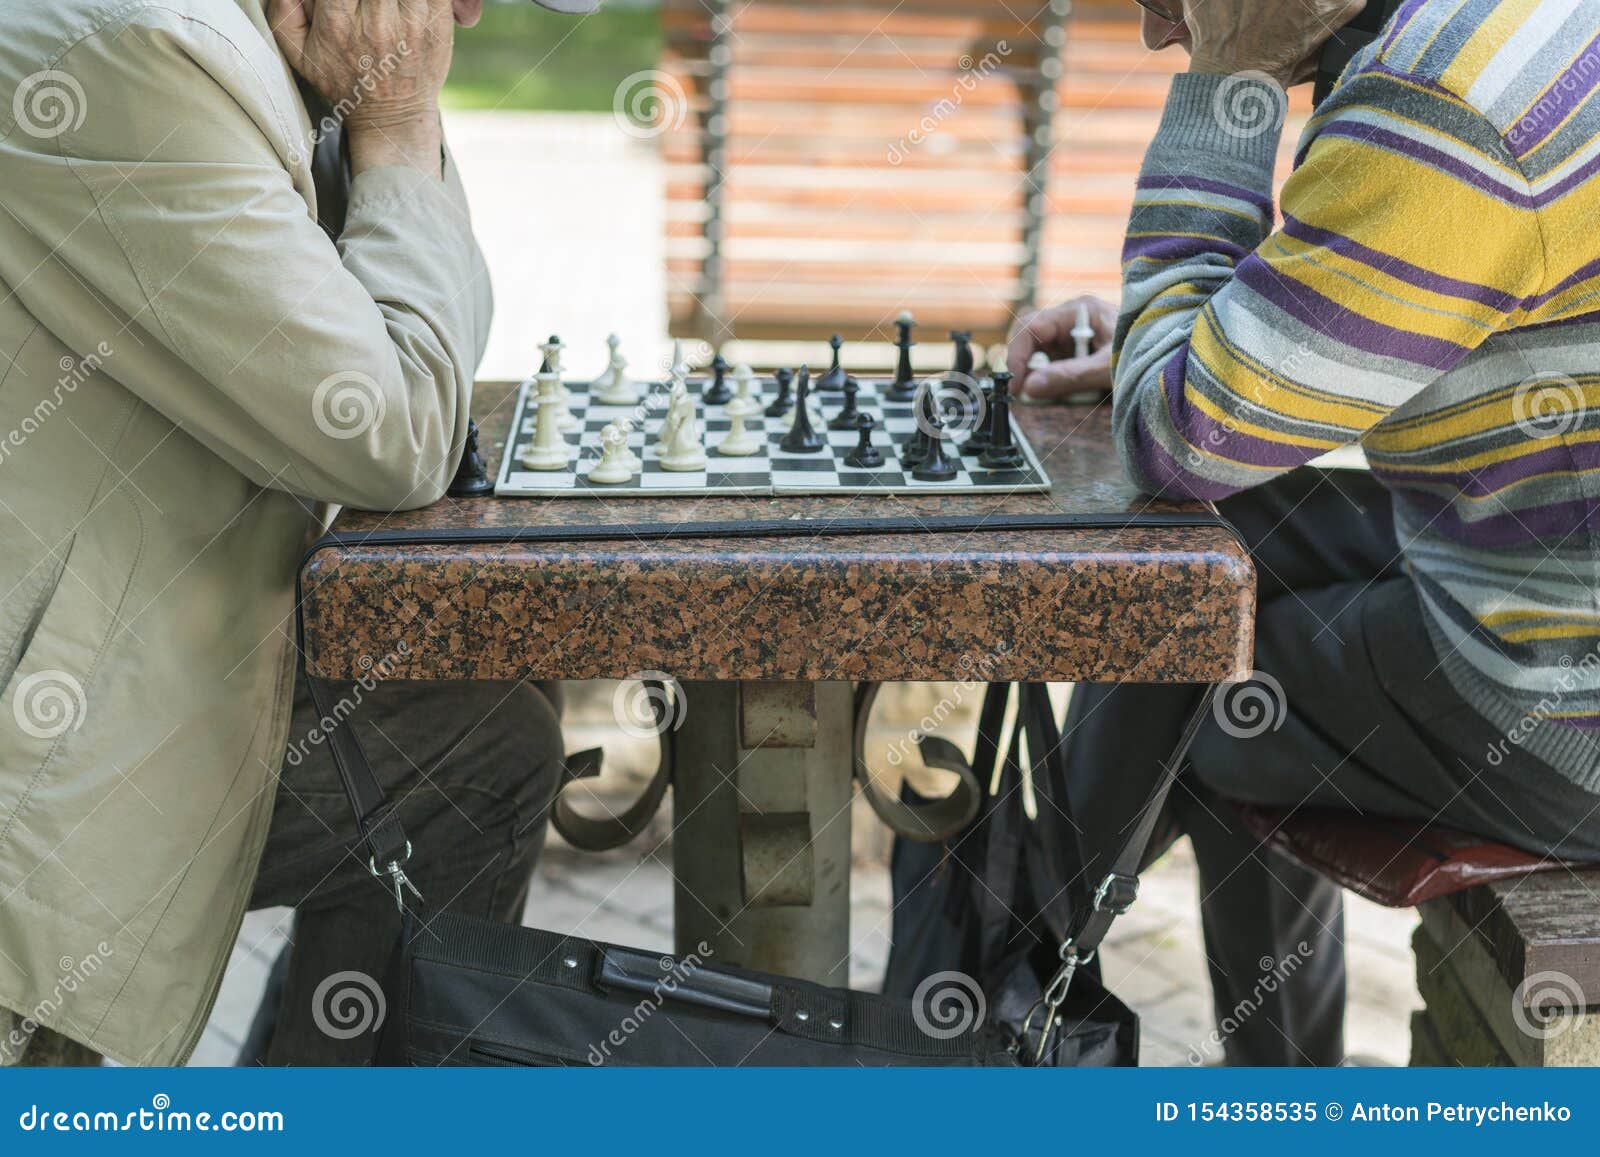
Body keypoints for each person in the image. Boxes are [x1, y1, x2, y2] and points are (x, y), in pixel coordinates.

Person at [0, 0, 595, 1067]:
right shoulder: (142, 50)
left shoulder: (239, 38)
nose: (461, 17)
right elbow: (391, 426)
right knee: (480, 751)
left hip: (118, 655)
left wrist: (379, 112)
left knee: (486, 738)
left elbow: (397, 364)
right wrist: (402, 130)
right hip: (37, 753)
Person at [1010, 0, 1600, 1065]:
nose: (1157, 34)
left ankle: (999, 985)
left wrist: (1223, 85)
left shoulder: (1436, 100)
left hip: (1572, 714)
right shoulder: (1509, 31)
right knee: (1218, 561)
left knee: (1190, 670)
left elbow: (1178, 439)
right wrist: (1214, 337)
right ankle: (1024, 965)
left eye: (1170, 0)